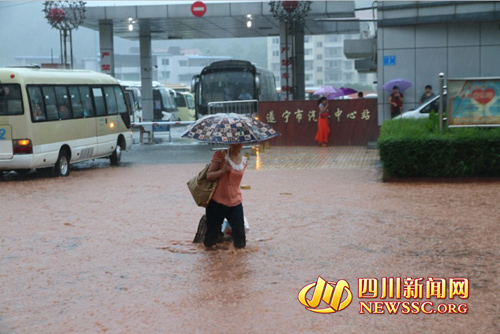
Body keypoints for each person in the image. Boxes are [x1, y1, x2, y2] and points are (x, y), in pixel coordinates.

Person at [204, 143, 247, 249]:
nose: (237, 144)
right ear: (229, 142)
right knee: (210, 240)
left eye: (240, 141)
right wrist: (223, 170)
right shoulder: (220, 155)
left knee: (240, 238)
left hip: (235, 202)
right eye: (234, 141)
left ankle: (238, 263)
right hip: (217, 202)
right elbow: (209, 176)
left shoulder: (244, 160)